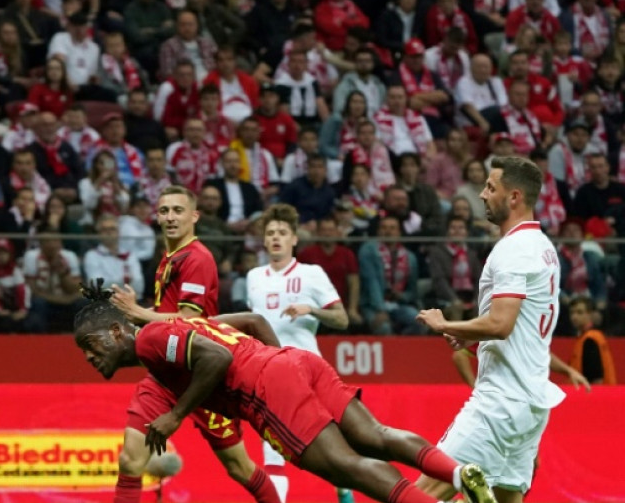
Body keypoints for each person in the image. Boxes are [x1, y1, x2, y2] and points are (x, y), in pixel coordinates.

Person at [74, 284, 498, 503]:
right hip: (294, 362)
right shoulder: (172, 328)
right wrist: (283, 368)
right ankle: (460, 474)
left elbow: (215, 360)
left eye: (91, 346)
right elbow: (255, 320)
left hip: (265, 384)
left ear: (116, 333)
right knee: (377, 436)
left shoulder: (150, 341)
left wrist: (176, 415)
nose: (90, 358)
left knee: (344, 467)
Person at [107, 185, 283, 503]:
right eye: (164, 211)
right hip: (164, 374)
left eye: (178, 210)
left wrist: (140, 313)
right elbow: (167, 317)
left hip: (203, 375)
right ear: (157, 218)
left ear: (194, 216)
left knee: (239, 467)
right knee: (130, 461)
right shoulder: (169, 258)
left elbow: (189, 320)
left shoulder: (198, 259)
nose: (171, 217)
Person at [414, 156, 565, 503]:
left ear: (513, 197)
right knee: (503, 498)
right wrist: (469, 333)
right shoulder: (543, 248)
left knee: (418, 495)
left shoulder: (513, 250)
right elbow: (518, 322)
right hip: (530, 403)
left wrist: (444, 323)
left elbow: (500, 323)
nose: (482, 194)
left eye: (490, 187)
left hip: (500, 404)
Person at [246, 204, 353, 503]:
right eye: (270, 233)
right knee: (272, 451)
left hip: (309, 371)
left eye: (282, 232)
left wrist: (312, 309)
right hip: (268, 373)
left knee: (329, 447)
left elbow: (342, 319)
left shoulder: (311, 274)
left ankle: (344, 491)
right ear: (264, 240)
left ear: (294, 239)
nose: (276, 238)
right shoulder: (254, 277)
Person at [569, 296, 617, 385]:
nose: (574, 316)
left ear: (590, 314)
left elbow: (596, 378)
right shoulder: (596, 336)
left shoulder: (589, 339)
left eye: (580, 312)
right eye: (572, 312)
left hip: (594, 394)